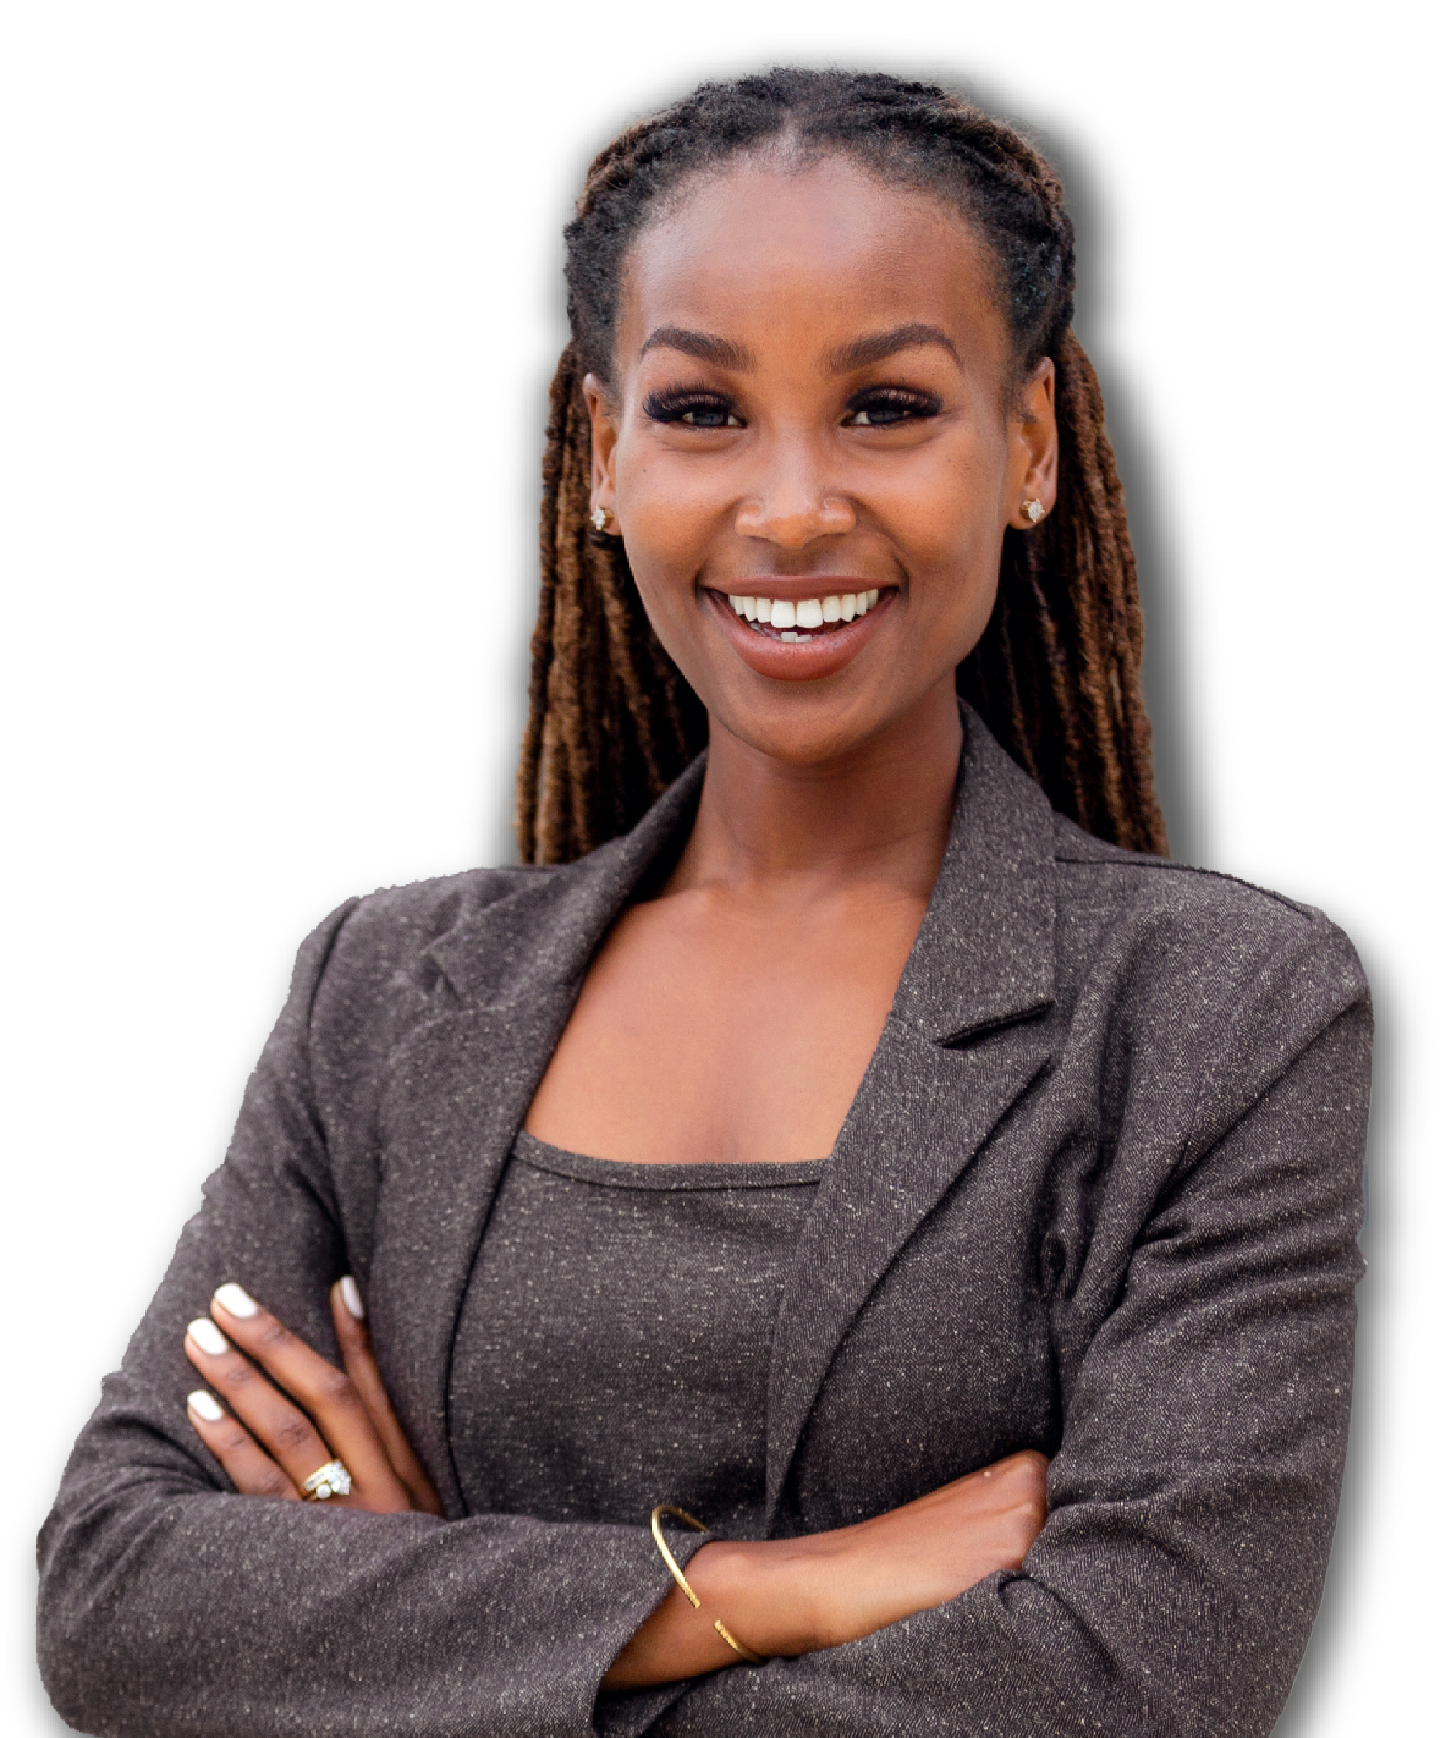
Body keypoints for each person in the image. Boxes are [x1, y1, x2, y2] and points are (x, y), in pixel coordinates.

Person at [34, 64, 1372, 1737]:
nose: (792, 503)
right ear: (600, 455)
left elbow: (1137, 1682)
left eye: (885, 406)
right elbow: (108, 1601)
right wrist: (760, 1588)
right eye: (700, 410)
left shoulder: (1220, 1011)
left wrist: (412, 1630)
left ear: (1025, 446)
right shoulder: (379, 989)